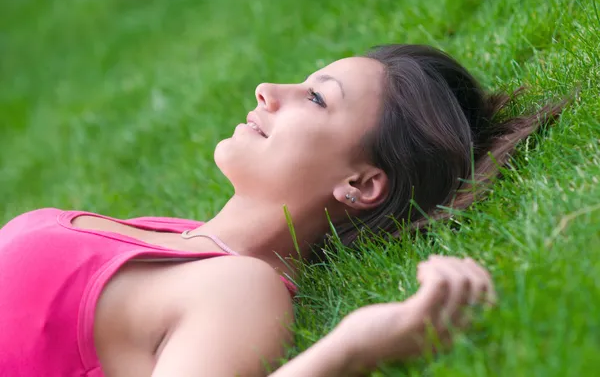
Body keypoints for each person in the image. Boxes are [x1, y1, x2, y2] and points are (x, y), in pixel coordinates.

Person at [0, 44, 565, 377]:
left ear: (361, 183)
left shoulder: (242, 287)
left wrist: (352, 347)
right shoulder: (183, 240)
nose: (268, 89)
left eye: (317, 98)